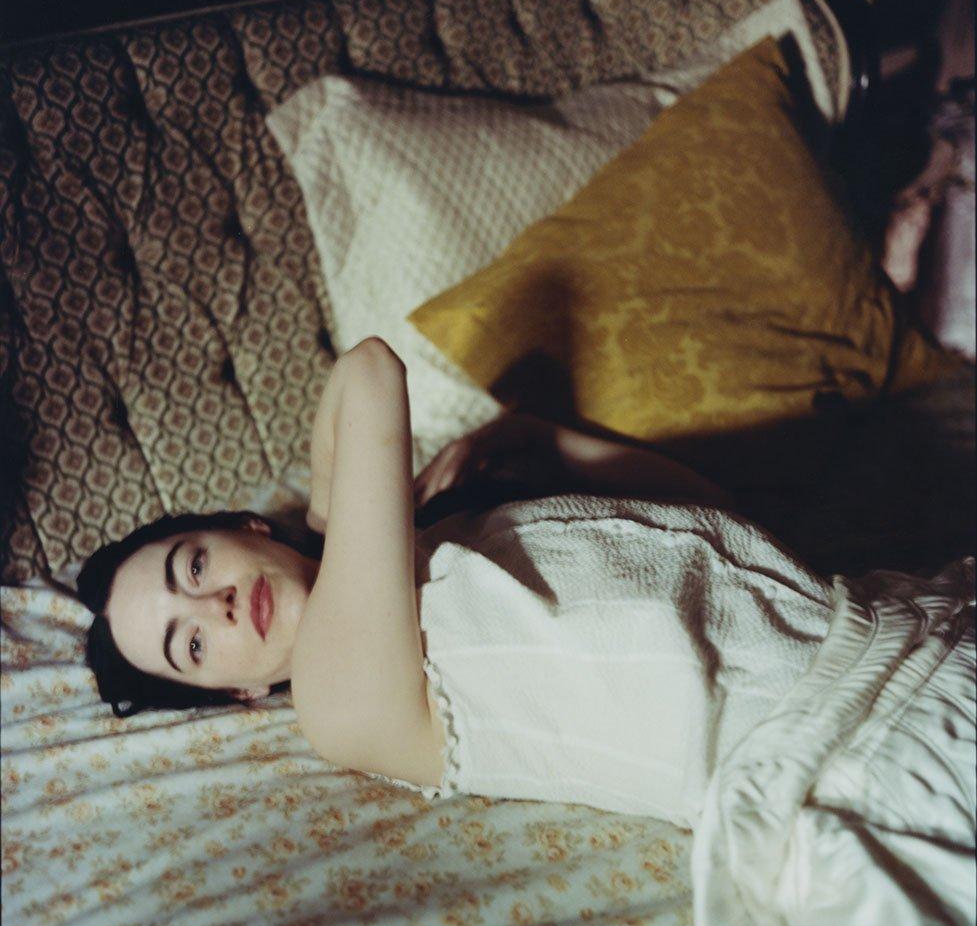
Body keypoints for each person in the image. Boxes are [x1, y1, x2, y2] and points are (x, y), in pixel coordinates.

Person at [77, 336, 969, 825]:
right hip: (841, 752)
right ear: (237, 693)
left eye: (194, 566)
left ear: (240, 528)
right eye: (192, 644)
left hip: (883, 631)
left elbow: (719, 523)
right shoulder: (333, 702)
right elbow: (371, 370)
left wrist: (533, 437)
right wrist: (328, 516)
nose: (218, 605)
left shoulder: (440, 544)